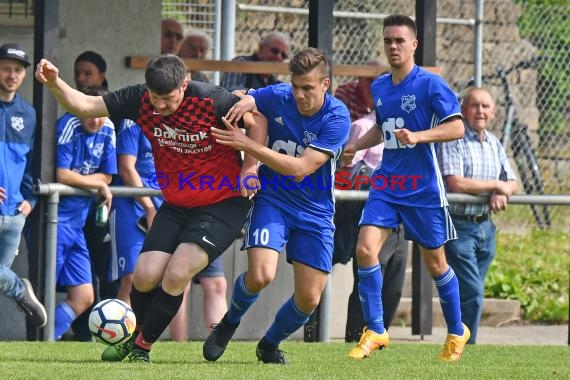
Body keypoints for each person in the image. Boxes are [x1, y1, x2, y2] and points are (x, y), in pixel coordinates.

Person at [35, 53, 264, 363]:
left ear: (184, 85)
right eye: (154, 97)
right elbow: (84, 105)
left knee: (176, 274)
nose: (159, 105)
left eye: (167, 99)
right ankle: (137, 337)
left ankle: (141, 348)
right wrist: (54, 82)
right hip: (176, 204)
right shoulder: (140, 99)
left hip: (223, 204)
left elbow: (258, 122)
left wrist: (250, 167)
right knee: (142, 276)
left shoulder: (212, 100)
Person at [202, 47, 351, 364]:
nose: (298, 94)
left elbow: (300, 168)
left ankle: (269, 344)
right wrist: (243, 104)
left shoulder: (337, 118)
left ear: (325, 85)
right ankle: (229, 322)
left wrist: (250, 148)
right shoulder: (278, 95)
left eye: (307, 88)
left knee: (309, 298)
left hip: (315, 212)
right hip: (274, 202)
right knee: (261, 275)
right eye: (295, 86)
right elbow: (247, 98)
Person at [341, 14, 469, 362]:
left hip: (423, 189)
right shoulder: (381, 86)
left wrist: (419, 136)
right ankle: (377, 330)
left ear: (414, 44)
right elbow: (383, 128)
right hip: (387, 183)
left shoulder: (430, 85)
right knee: (365, 250)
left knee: (436, 263)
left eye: (399, 40)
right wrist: (357, 146)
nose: (393, 46)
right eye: (388, 41)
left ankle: (457, 332)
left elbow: (456, 127)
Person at [439, 87, 518, 344]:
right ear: (464, 110)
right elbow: (456, 183)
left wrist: (502, 192)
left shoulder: (494, 143)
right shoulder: (455, 139)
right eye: (474, 105)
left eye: (485, 106)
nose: (480, 111)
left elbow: (511, 181)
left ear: (493, 112)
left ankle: (456, 341)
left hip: (486, 228)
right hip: (460, 228)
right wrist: (495, 186)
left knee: (469, 292)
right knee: (473, 291)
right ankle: (466, 345)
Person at [334, 111, 409, 342]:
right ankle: (355, 338)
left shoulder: (415, 128)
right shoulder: (363, 126)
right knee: (367, 284)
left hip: (402, 215)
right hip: (374, 213)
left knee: (393, 288)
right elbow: (346, 175)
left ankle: (378, 339)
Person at [53, 86, 117, 341]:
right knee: (42, 290)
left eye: (101, 112)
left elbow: (109, 175)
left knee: (85, 296)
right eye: (90, 111)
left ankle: (45, 340)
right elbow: (62, 174)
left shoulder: (109, 128)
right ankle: (37, 340)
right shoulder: (68, 124)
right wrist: (98, 184)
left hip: (78, 224)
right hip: (54, 219)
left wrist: (98, 182)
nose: (96, 119)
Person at [68, 50, 118, 342]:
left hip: (109, 207)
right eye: (77, 73)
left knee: (106, 273)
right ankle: (78, 330)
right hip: (75, 210)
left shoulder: (113, 113)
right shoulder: (69, 118)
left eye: (87, 73)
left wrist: (102, 184)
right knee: (83, 275)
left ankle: (95, 330)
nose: (80, 78)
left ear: (102, 76)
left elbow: (113, 171)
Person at [0, 42, 47, 328]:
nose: (12, 75)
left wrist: (31, 198)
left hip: (15, 211)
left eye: (18, 70)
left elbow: (30, 162)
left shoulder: (28, 114)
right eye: (6, 68)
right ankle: (20, 290)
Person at [220, 31, 291, 92]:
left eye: (283, 55)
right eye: (274, 51)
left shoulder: (274, 82)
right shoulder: (241, 63)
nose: (278, 56)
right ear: (261, 48)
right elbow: (230, 92)